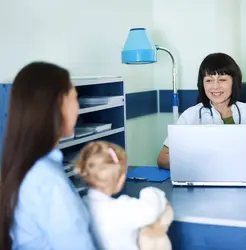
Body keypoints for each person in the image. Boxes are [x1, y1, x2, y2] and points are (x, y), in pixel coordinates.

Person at [0, 62, 96, 249]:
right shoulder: (49, 181)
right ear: (60, 103)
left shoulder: (22, 167)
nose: (78, 107)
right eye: (75, 97)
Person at [157, 53, 246, 173]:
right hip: (201, 183)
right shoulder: (190, 116)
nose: (215, 86)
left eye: (222, 80)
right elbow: (162, 159)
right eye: (209, 80)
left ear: (234, 82)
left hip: (242, 184)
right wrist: (200, 164)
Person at [75, 141, 170, 250]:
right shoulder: (122, 208)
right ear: (120, 179)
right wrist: (149, 191)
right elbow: (151, 212)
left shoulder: (80, 205)